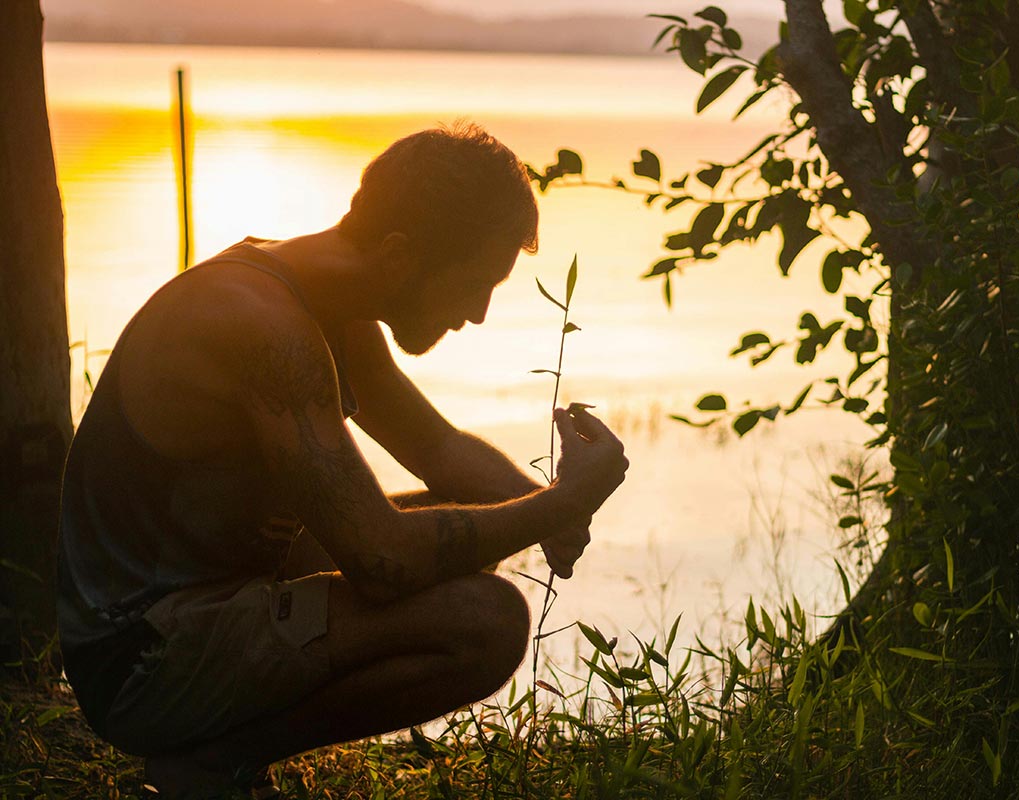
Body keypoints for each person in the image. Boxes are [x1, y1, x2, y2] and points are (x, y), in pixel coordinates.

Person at [56, 123, 628, 798]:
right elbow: (382, 562)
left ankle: (215, 752)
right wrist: (560, 504)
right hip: (139, 658)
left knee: (470, 535)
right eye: (474, 283)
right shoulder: (264, 325)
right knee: (486, 621)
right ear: (397, 255)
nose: (477, 314)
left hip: (213, 598)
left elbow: (438, 448)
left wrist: (544, 505)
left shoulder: (330, 305)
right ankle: (217, 762)